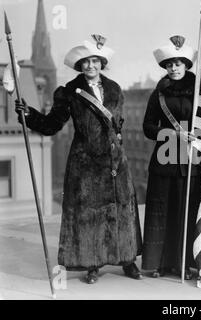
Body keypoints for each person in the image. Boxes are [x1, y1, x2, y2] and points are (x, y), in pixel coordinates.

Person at [15, 35, 143, 284]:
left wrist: (118, 148)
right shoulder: (68, 92)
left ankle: (128, 260)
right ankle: (91, 263)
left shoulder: (115, 88)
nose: (91, 66)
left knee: (122, 211)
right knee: (88, 214)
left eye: (95, 61)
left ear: (101, 62)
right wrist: (29, 114)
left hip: (116, 161)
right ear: (79, 65)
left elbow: (118, 123)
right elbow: (52, 124)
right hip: (85, 162)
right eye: (86, 62)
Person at [142, 35, 200, 279]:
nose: (173, 68)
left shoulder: (200, 92)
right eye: (169, 64)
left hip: (191, 159)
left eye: (178, 63)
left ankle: (185, 263)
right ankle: (159, 263)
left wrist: (198, 135)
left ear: (186, 65)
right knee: (162, 210)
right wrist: (170, 134)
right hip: (165, 160)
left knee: (186, 210)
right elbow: (147, 127)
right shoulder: (159, 94)